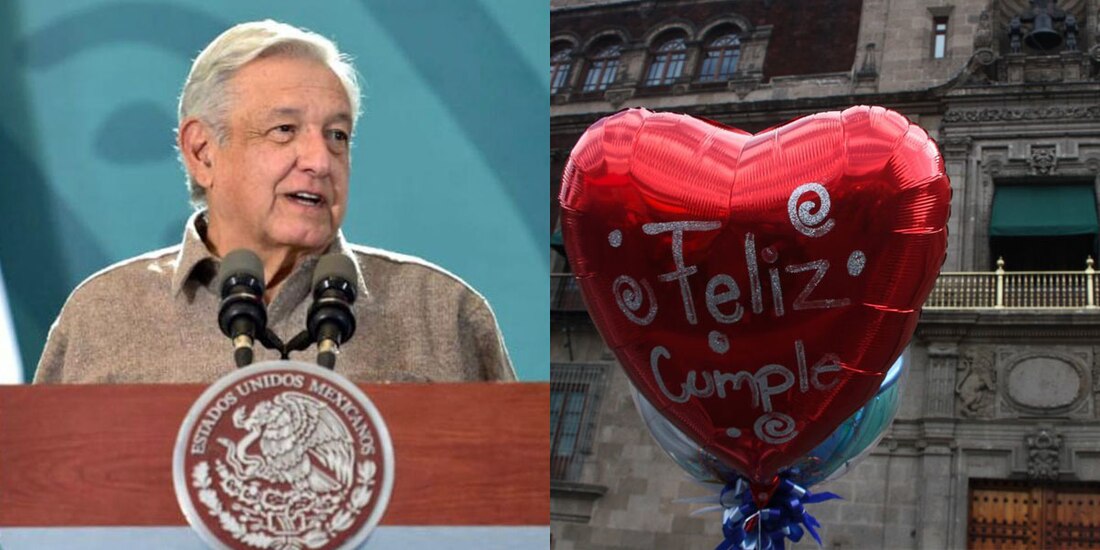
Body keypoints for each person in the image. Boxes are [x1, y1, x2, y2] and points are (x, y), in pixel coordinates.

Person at [34, 20, 515, 384]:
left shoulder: (444, 313)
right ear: (203, 152)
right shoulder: (102, 317)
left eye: (337, 135)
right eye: (284, 130)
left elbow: (507, 502)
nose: (320, 161)